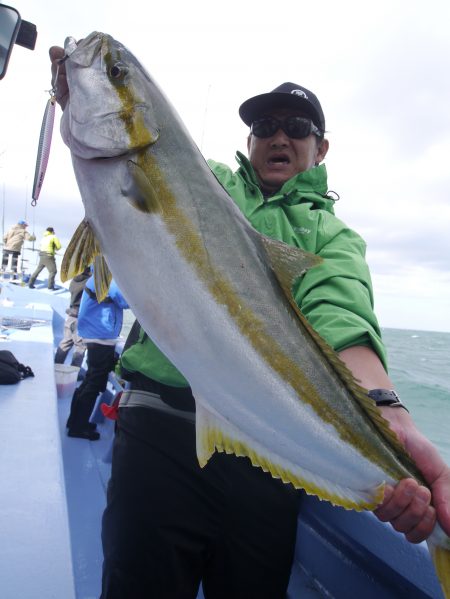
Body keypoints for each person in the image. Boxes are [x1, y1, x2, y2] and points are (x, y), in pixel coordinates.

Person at [50, 47, 450, 599]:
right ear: (249, 140)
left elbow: (343, 319)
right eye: (265, 126)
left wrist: (386, 409)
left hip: (268, 450)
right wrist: (77, 96)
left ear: (321, 147)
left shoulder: (332, 239)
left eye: (297, 127)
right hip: (159, 425)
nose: (279, 137)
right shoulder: (203, 180)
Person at [66, 272, 129, 441]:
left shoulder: (99, 274)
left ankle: (74, 422)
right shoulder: (105, 277)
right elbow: (125, 300)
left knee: (89, 381)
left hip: (97, 335)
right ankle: (78, 427)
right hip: (100, 337)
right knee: (93, 384)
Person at [54, 266, 91, 368]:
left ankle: (56, 366)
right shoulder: (88, 283)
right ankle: (73, 372)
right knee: (80, 347)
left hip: (71, 316)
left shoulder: (74, 281)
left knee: (65, 342)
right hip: (80, 318)